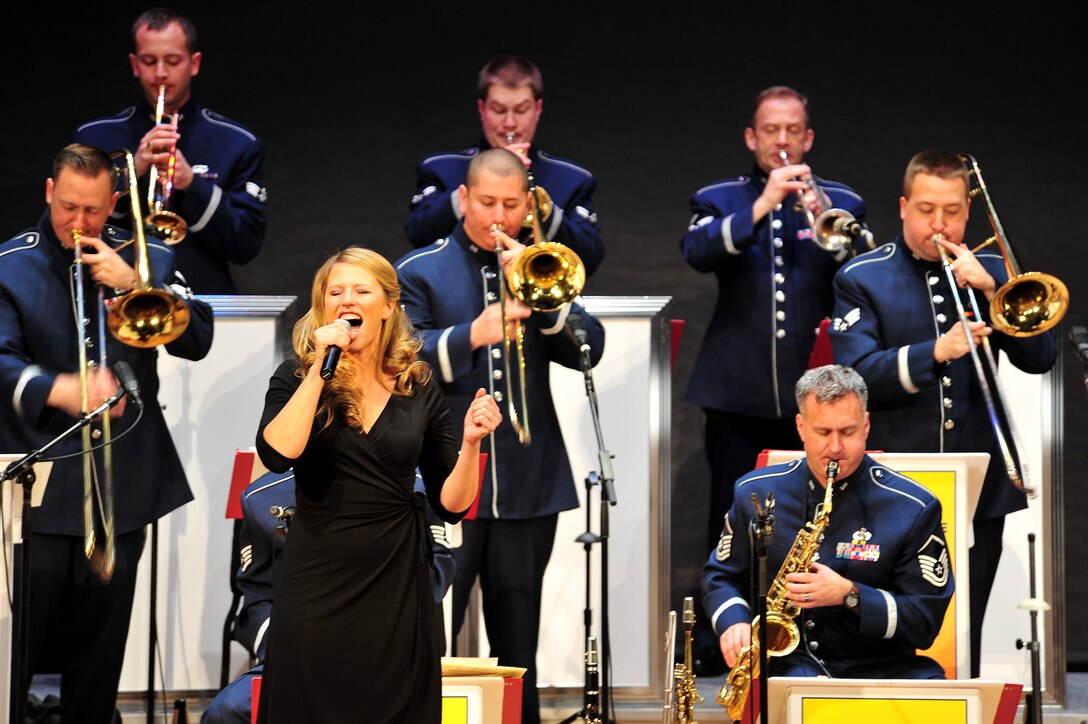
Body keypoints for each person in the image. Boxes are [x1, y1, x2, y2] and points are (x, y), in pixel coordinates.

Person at [0, 143, 214, 724]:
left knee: (99, 657)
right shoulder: (9, 264)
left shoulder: (144, 253)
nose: (79, 223)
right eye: (68, 207)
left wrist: (137, 279)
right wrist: (57, 388)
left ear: (114, 202)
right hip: (40, 492)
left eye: (93, 211)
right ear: (49, 193)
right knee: (16, 652)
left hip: (125, 486)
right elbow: (1, 358)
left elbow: (198, 339)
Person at [396, 147, 605, 724]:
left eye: (512, 205)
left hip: (527, 485)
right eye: (487, 202)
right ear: (463, 198)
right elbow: (401, 362)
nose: (499, 216)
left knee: (519, 650)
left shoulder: (538, 264)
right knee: (430, 638)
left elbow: (591, 348)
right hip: (444, 481)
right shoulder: (420, 269)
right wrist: (472, 333)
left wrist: (547, 302)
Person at [829, 149, 1057, 677]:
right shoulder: (864, 276)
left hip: (982, 486)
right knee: (892, 627)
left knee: (965, 624)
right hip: (892, 486)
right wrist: (935, 351)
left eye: (952, 211)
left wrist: (991, 288)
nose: (939, 224)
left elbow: (1041, 357)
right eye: (927, 209)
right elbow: (855, 375)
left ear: (967, 214)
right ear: (903, 206)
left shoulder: (994, 270)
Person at [253, 247, 499, 723]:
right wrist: (320, 371)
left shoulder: (417, 384)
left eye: (361, 291)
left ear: (387, 306)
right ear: (322, 306)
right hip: (317, 575)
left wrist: (471, 445)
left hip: (397, 577)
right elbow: (277, 454)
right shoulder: (295, 376)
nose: (348, 300)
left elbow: (451, 505)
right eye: (335, 292)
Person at [680, 85, 868, 672]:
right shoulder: (720, 198)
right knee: (729, 523)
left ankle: (810, 640)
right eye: (770, 130)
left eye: (792, 131)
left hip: (817, 397)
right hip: (736, 389)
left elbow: (863, 264)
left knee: (817, 524)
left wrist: (821, 216)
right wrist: (763, 203)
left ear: (808, 138)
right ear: (751, 138)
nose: (781, 141)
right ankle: (724, 642)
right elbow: (698, 250)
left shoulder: (840, 200)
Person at [703, 365, 954, 686]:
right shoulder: (755, 492)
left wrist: (850, 595)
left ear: (866, 425)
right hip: (790, 663)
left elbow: (924, 621)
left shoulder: (914, 506)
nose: (835, 447)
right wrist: (733, 624)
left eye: (847, 432)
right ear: (801, 427)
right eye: (823, 432)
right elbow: (721, 576)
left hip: (885, 663)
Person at [202, 469, 457, 724]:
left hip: (391, 654)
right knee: (226, 712)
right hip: (299, 655)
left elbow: (435, 575)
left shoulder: (420, 488)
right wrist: (289, 647)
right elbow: (258, 598)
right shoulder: (262, 498)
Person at [72, 7, 267, 294]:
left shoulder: (237, 142)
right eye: (149, 61)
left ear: (194, 63)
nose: (160, 73)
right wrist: (132, 170)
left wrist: (190, 183)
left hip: (202, 306)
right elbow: (73, 229)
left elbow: (246, 245)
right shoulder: (94, 137)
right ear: (135, 64)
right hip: (110, 299)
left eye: (173, 61)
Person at [405, 55, 604, 277]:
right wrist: (478, 183)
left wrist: (544, 210)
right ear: (482, 109)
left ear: (537, 110)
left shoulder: (572, 179)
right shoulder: (440, 168)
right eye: (499, 110)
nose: (509, 123)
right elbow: (418, 234)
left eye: (521, 110)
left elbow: (590, 257)